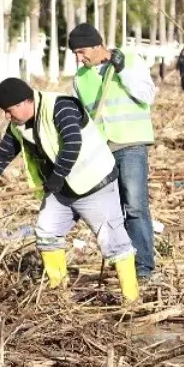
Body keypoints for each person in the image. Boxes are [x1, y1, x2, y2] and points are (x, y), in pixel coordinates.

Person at [0, 77, 139, 300]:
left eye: (9, 110)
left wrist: (57, 176)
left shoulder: (61, 107)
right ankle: (59, 291)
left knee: (113, 241)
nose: (7, 116)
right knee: (46, 232)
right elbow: (1, 156)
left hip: (95, 185)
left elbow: (72, 142)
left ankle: (131, 299)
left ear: (24, 103)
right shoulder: (18, 126)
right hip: (61, 190)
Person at [68, 23, 159, 282]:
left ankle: (143, 268)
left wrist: (121, 70)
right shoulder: (80, 79)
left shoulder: (129, 60)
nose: (79, 57)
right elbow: (80, 118)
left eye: (82, 51)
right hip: (102, 151)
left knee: (135, 206)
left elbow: (146, 95)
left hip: (130, 144)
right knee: (114, 211)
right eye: (75, 53)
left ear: (98, 45)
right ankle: (125, 264)